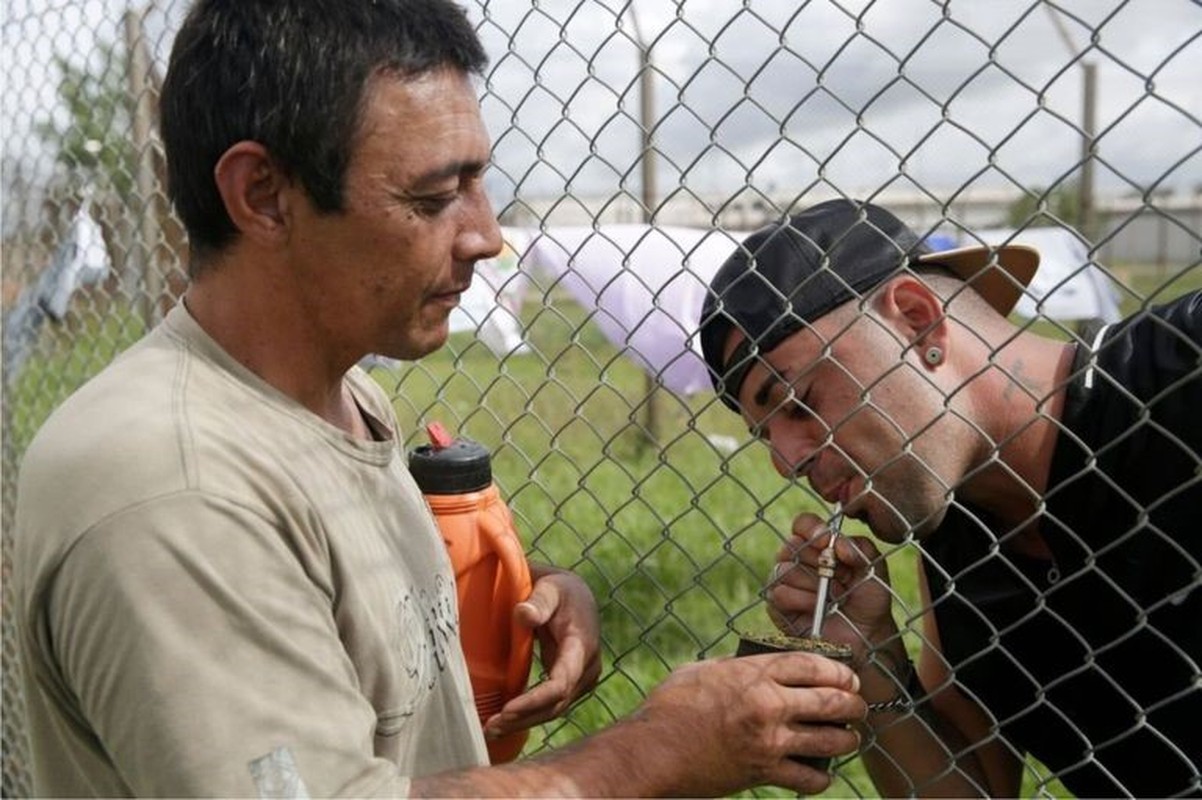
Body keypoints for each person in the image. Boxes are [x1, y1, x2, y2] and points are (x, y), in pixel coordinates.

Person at [12, 2, 867, 797]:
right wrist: (666, 746)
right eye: (432, 196)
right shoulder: (171, 488)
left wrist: (520, 599)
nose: (486, 236)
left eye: (479, 183)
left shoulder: (341, 399)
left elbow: (334, 625)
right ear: (264, 196)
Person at [699, 198, 1200, 798]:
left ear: (916, 320)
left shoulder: (1180, 374)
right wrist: (874, 658)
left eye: (802, 399)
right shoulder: (958, 553)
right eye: (766, 436)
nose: (788, 460)